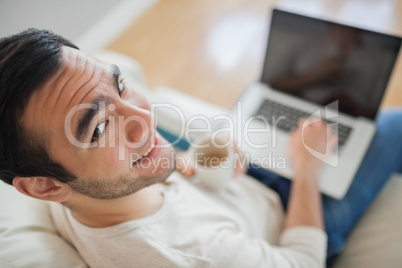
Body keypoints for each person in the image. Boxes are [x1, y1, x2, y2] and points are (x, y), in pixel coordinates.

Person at [0, 29, 400, 268]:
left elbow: (166, 179)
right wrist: (308, 167)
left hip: (239, 188)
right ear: (44, 187)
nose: (144, 118)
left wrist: (201, 161)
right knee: (392, 124)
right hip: (294, 222)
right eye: (99, 126)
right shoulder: (194, 254)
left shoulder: (82, 187)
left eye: (119, 85)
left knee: (279, 96)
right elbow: (303, 262)